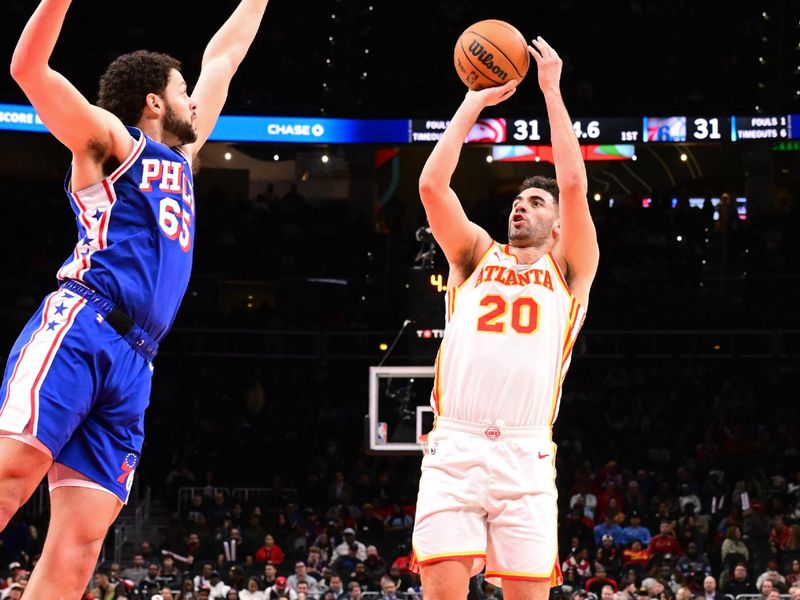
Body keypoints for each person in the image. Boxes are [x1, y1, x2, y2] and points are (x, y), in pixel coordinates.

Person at [0, 1, 270, 598]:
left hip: (136, 360)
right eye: (183, 92)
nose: (195, 101)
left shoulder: (185, 160)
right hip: (84, 325)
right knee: (10, 479)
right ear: (154, 101)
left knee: (81, 543)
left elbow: (222, 57)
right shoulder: (111, 140)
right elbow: (27, 68)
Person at [410, 37, 599, 600]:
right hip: (456, 445)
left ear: (560, 226)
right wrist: (473, 101)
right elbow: (430, 186)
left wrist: (551, 91)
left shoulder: (570, 269)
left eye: (537, 204)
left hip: (526, 452)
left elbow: (572, 182)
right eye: (519, 199)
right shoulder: (473, 254)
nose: (523, 205)